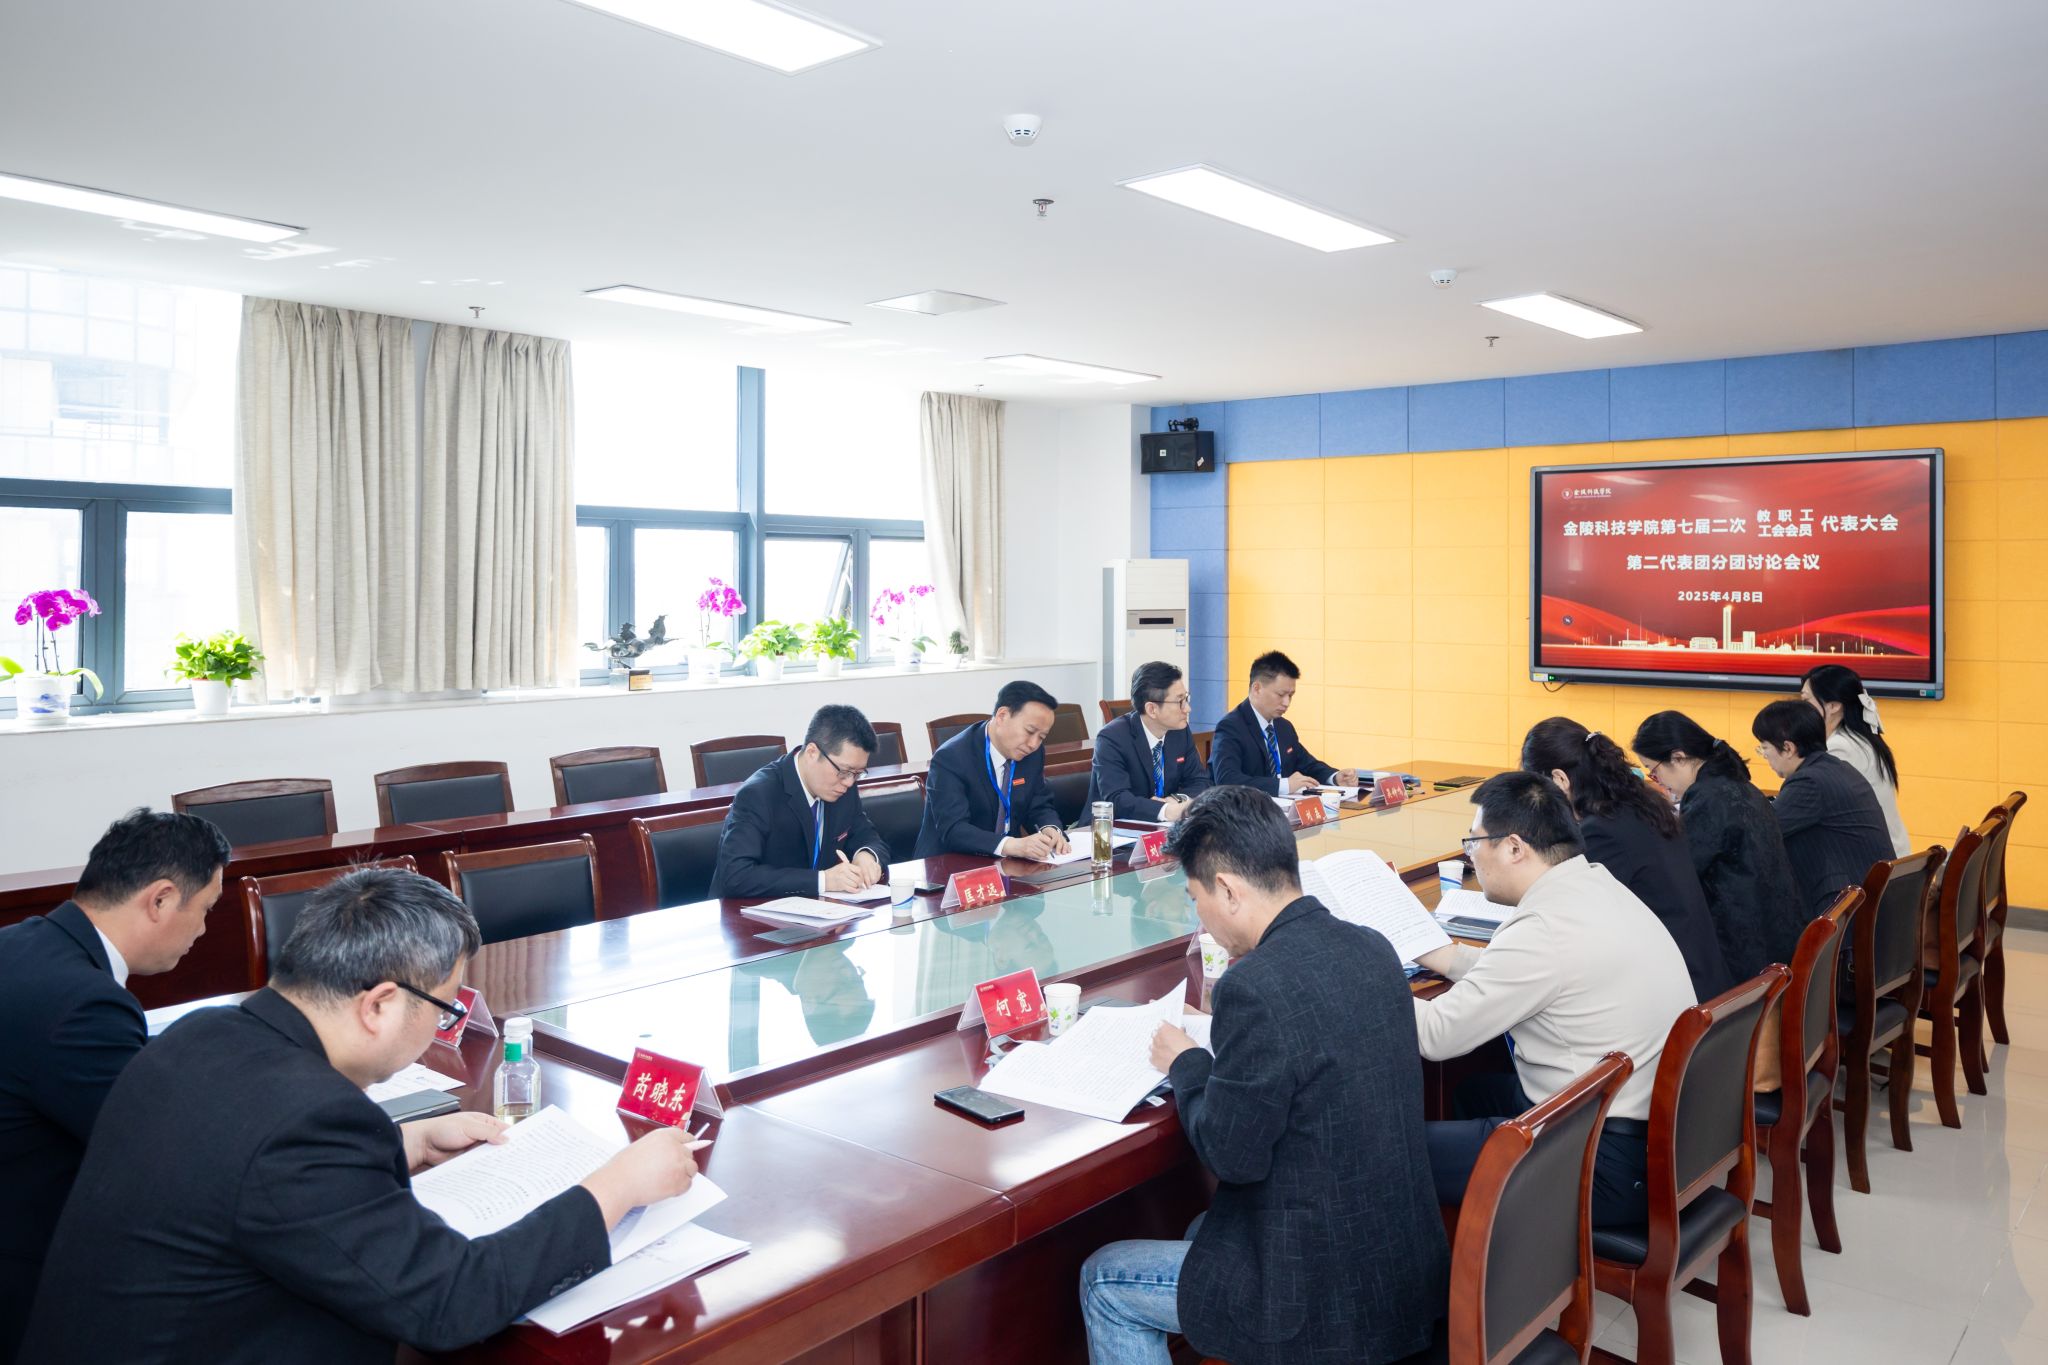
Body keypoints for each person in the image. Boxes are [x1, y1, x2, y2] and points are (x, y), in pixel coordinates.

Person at [21, 867, 698, 1363]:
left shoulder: (202, 1035)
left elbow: (236, 1169)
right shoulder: (309, 1120)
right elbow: (449, 1301)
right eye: (444, 1007)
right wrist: (616, 1186)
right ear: (378, 1004)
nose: (442, 1027)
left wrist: (405, 1142)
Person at [1081, 786, 1446, 1365]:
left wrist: (1187, 1063)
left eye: (1195, 896)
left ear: (1228, 889)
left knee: (1104, 1280)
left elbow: (1232, 1156)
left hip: (1316, 1296)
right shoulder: (1372, 947)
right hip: (1400, 1267)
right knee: (1203, 1228)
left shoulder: (1254, 986)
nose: (1198, 914)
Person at [1413, 772, 1696, 1229]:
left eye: (1473, 842)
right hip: (1661, 1137)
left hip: (1602, 1164)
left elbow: (1436, 1035)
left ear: (1514, 847)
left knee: (1400, 1153)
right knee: (1470, 1091)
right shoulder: (1594, 884)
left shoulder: (1542, 928)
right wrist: (1444, 957)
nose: (1470, 855)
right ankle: (1491, 1242)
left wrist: (1366, 977)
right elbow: (1532, 971)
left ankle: (1473, 1257)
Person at [0, 808, 229, 1360]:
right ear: (161, 899)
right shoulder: (85, 1003)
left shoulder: (19, 942)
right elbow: (166, 1154)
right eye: (205, 910)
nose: (203, 931)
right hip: (31, 1283)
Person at [1520, 717, 1732, 1000]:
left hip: (1676, 992)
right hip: (1703, 974)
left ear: (1559, 779)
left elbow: (1571, 918)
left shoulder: (1601, 831)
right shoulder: (1642, 804)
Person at [1630, 710, 1810, 981]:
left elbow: (1678, 876)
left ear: (1678, 757)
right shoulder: (1737, 784)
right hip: (1780, 943)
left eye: (1654, 773)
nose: (1660, 783)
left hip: (1748, 960)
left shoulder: (1708, 799)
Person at [710, 704, 890, 898]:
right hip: (748, 911)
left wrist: (867, 855)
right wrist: (824, 880)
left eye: (857, 773)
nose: (849, 782)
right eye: (844, 771)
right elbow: (736, 876)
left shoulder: (844, 786)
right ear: (812, 752)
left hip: (818, 910)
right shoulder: (758, 794)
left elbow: (867, 836)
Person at [1752, 699, 1897, 916]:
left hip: (1847, 911)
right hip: (1873, 903)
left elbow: (1760, 830)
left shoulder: (1809, 782)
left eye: (1764, 748)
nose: (1764, 756)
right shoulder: (1837, 768)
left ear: (1788, 748)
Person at [914, 680, 1071, 860]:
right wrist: (1010, 845)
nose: (1033, 744)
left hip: (1007, 862)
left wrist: (1049, 828)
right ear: (1002, 716)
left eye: (1041, 737)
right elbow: (954, 829)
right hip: (949, 864)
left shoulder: (1032, 754)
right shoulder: (951, 758)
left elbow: (1038, 804)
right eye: (1029, 731)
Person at [1208, 651, 1357, 793]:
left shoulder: (1283, 727)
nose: (1287, 703)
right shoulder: (1230, 727)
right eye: (1281, 694)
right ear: (1257, 689)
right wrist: (1283, 785)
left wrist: (1334, 777)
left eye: (1290, 695)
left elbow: (1307, 765)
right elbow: (1227, 780)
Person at [1800, 664, 1910, 857]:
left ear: (1833, 706)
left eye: (1806, 700)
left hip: (1872, 861)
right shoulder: (1861, 738)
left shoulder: (1840, 747)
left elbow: (1809, 805)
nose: (1800, 709)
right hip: (1891, 856)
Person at [1089, 660, 1213, 824]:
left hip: (1164, 827)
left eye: (1186, 698)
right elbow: (1117, 800)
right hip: (1113, 829)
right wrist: (1166, 811)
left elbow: (1200, 781)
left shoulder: (1179, 732)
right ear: (1152, 709)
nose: (1187, 708)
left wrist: (1176, 800)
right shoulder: (1112, 738)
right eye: (1179, 701)